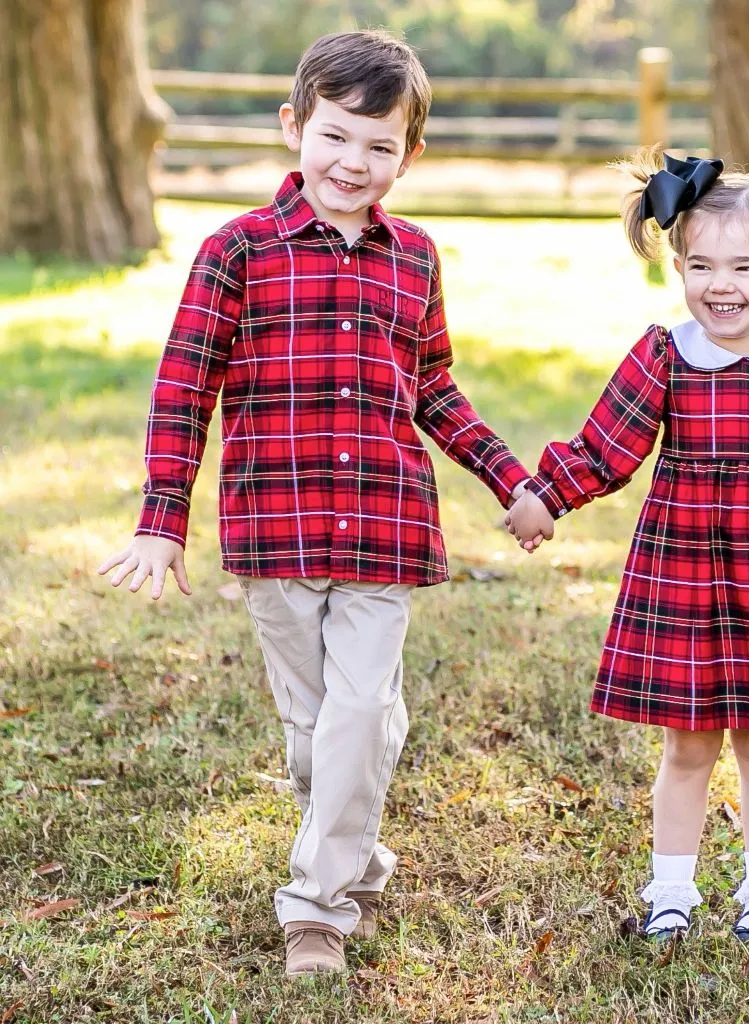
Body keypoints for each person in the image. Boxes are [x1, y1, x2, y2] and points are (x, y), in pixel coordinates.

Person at [98, 30, 532, 977]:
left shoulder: (415, 257)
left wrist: (512, 479)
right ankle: (358, 843)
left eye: (380, 147)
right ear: (294, 126)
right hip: (275, 532)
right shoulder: (236, 252)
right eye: (337, 136)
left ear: (410, 155)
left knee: (358, 707)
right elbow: (185, 388)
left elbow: (438, 393)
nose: (354, 163)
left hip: (385, 529)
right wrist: (161, 518)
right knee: (324, 733)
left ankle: (318, 911)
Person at [506, 149, 749, 945]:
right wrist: (545, 496)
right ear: (677, 266)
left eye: (745, 266)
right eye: (701, 264)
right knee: (686, 743)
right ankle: (671, 891)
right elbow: (606, 446)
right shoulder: (667, 355)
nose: (722, 285)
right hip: (682, 575)